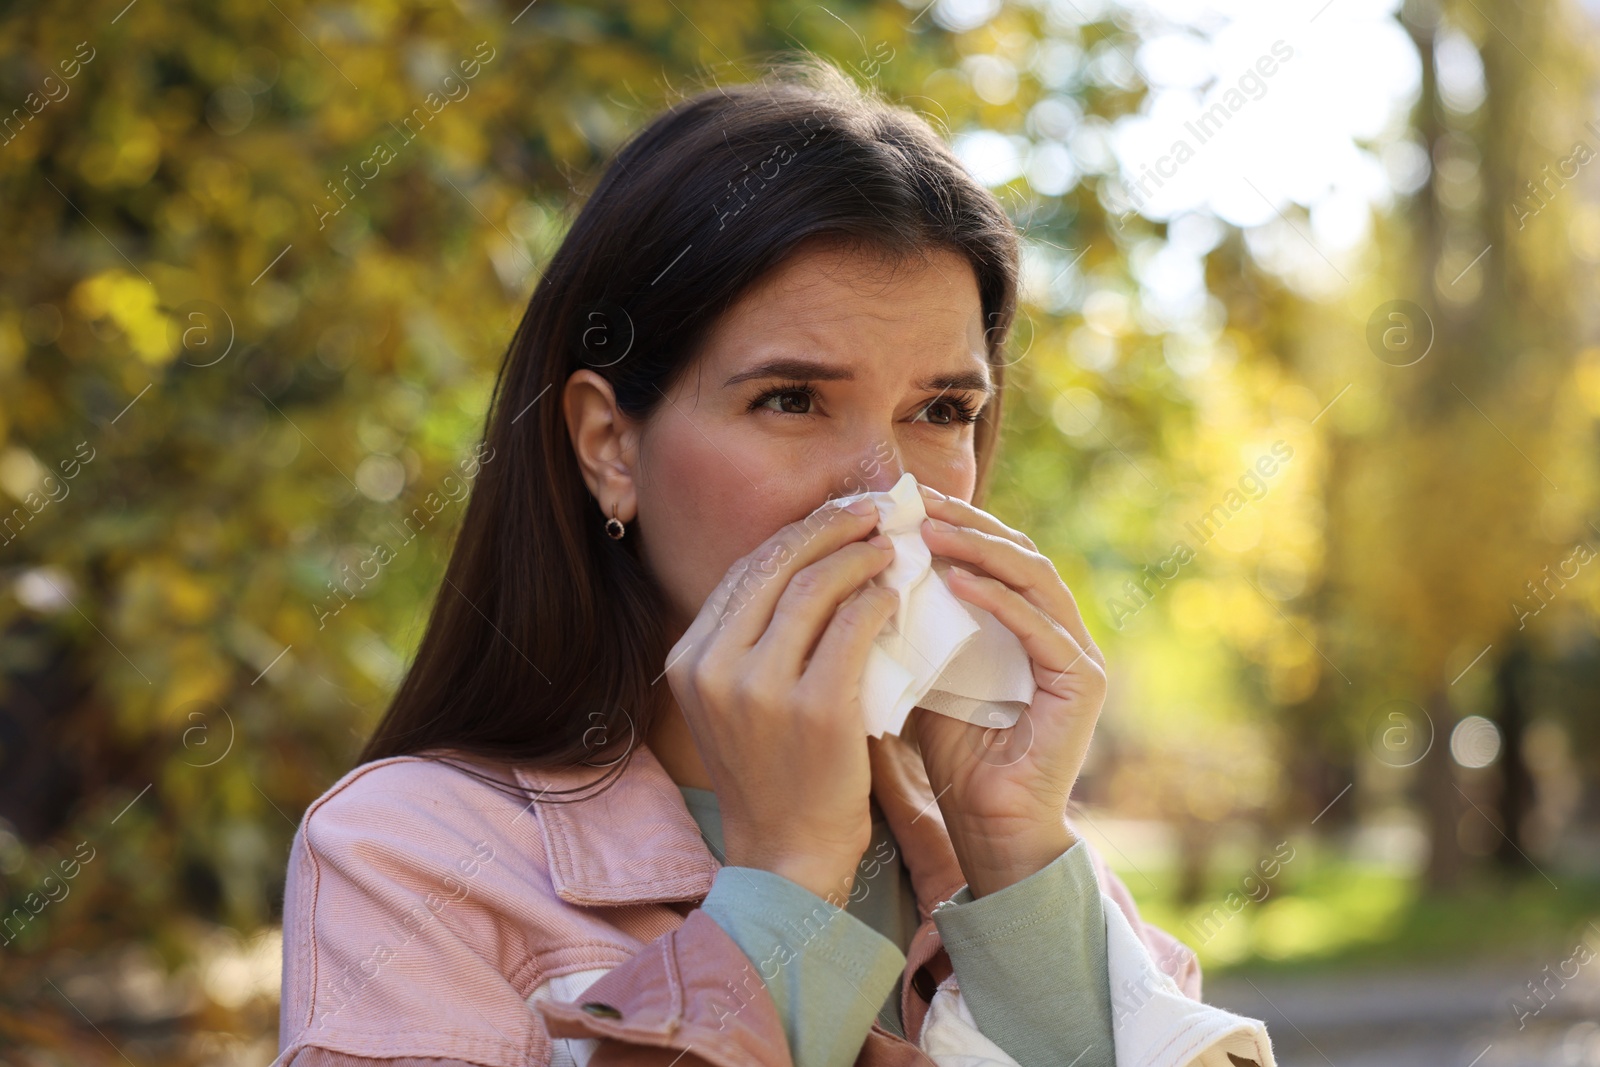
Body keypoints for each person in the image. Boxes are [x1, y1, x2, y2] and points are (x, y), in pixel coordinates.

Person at [277, 55, 1268, 1067]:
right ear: (609, 446)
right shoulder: (407, 859)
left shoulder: (1022, 862)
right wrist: (786, 880)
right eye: (790, 398)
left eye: (940, 411)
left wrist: (1015, 855)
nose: (881, 490)